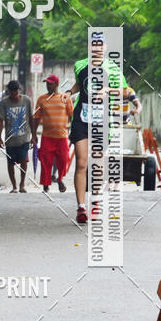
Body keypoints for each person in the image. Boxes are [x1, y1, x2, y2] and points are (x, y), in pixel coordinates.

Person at [67, 44, 137, 224]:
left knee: (98, 162)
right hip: (82, 118)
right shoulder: (80, 65)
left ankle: (95, 201)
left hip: (103, 121)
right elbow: (79, 83)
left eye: (100, 46)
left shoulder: (112, 68)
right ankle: (81, 207)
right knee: (81, 162)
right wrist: (69, 92)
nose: (97, 49)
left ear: (105, 48)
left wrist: (107, 90)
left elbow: (125, 91)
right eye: (93, 45)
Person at [32, 74, 73, 193]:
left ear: (56, 84)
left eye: (50, 83)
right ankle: (45, 185)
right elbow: (36, 118)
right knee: (45, 161)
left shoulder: (65, 98)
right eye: (47, 83)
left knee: (64, 160)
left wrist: (72, 130)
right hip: (47, 137)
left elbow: (72, 116)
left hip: (62, 136)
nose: (48, 85)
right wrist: (33, 135)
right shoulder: (41, 99)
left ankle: (60, 180)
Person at [0, 80, 33, 193]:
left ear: (19, 90)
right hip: (10, 140)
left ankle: (22, 184)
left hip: (24, 138)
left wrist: (34, 136)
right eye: (12, 91)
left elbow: (31, 118)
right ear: (9, 91)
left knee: (23, 161)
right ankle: (14, 186)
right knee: (10, 163)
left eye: (16, 90)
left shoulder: (26, 100)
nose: (14, 93)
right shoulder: (4, 103)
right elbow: (0, 121)